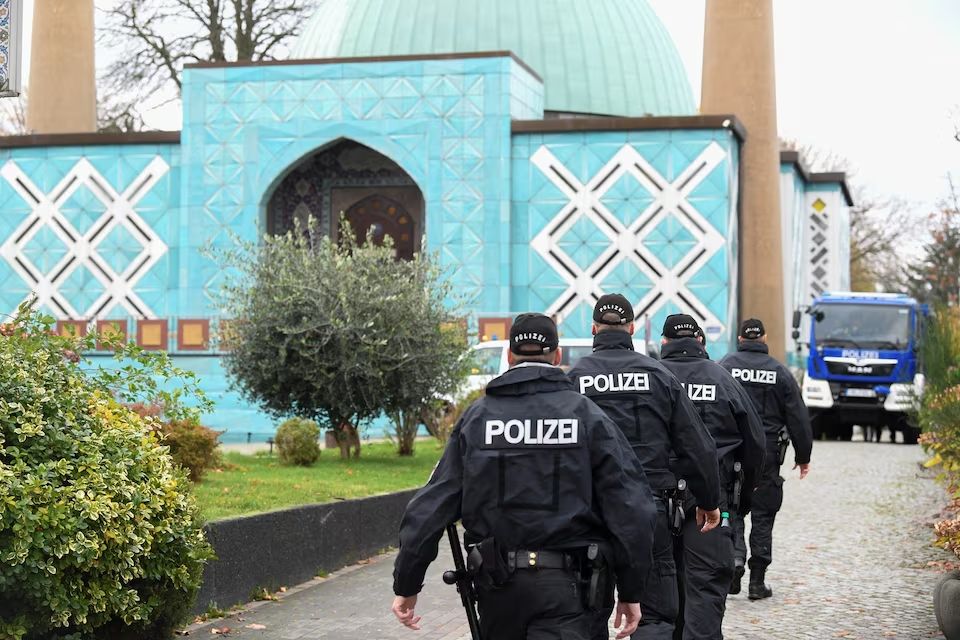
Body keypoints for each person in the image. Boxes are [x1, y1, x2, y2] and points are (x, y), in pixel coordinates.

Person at [391, 312, 659, 640]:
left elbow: (431, 506)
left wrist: (407, 582)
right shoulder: (587, 416)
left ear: (508, 356)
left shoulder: (478, 418)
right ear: (557, 356)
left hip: (498, 589)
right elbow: (632, 508)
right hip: (572, 592)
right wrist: (631, 591)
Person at [567, 294, 722, 640]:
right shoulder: (658, 375)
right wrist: (710, 501)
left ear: (593, 328)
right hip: (649, 510)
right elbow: (696, 445)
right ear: (632, 328)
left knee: (585, 614)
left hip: (589, 513)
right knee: (654, 616)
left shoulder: (573, 379)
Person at [658, 314, 765, 640]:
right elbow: (755, 445)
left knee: (659, 595)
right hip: (712, 503)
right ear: (701, 342)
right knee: (704, 589)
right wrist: (742, 502)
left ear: (664, 343)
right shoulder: (723, 378)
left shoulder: (652, 378)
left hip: (655, 498)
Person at [719, 318, 813, 600]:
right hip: (767, 457)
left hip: (731, 453)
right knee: (763, 517)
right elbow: (798, 417)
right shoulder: (780, 372)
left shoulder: (724, 367)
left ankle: (734, 558)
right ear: (764, 338)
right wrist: (803, 455)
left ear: (739, 338)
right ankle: (757, 582)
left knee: (732, 510)